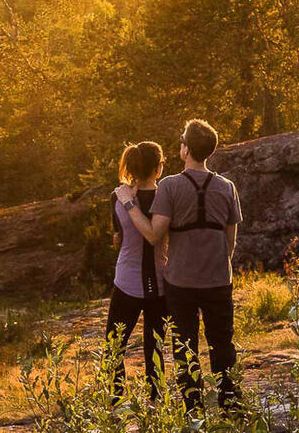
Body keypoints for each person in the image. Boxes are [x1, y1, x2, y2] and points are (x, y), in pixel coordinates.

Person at [116, 118, 242, 415]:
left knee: (186, 349)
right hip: (218, 280)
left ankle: (194, 411)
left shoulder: (170, 186)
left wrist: (129, 204)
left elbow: (152, 234)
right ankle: (231, 408)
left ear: (185, 150)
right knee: (222, 345)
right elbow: (231, 243)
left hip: (181, 283)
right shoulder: (227, 187)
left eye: (182, 141)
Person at [106, 140, 168, 399]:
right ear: (159, 167)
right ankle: (157, 403)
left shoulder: (117, 197)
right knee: (155, 347)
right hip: (162, 283)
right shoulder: (167, 197)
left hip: (126, 282)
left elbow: (118, 238)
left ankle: (116, 402)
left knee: (114, 347)